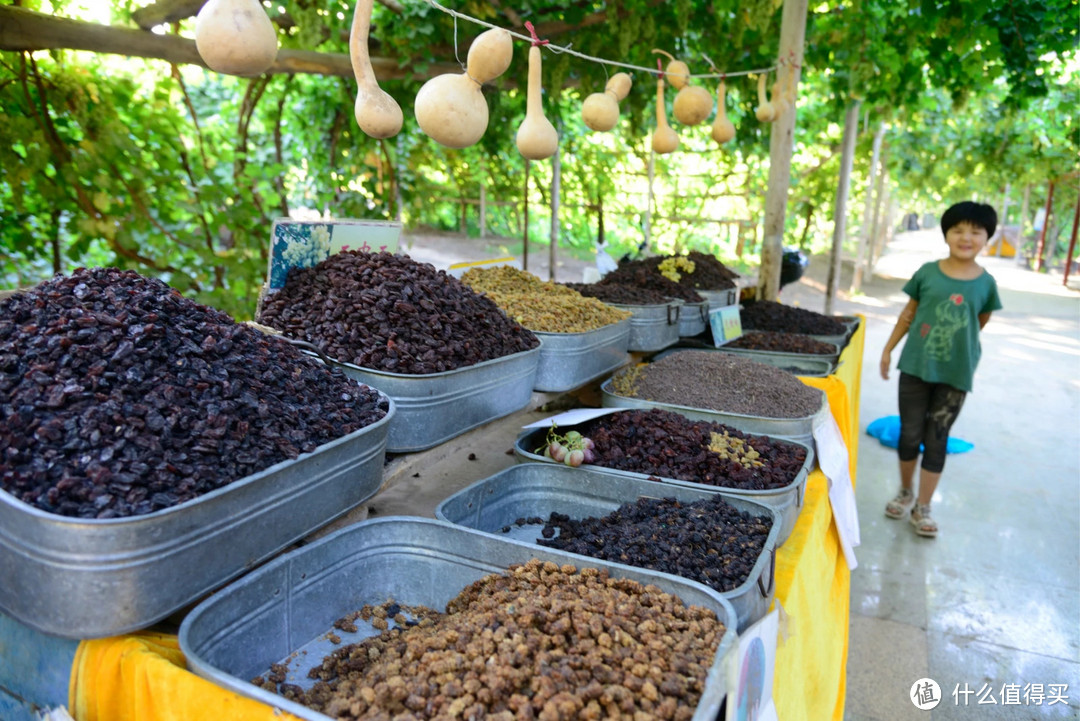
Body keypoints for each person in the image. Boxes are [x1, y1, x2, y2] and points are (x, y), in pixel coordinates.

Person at [878, 201, 1003, 537]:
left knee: (937, 438)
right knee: (909, 432)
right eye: (958, 229)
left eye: (975, 231)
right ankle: (905, 491)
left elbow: (979, 321)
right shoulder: (927, 273)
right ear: (946, 234)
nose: (966, 237)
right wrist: (888, 350)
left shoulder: (986, 283)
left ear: (986, 237)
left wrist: (956, 348)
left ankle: (924, 506)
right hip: (916, 366)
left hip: (956, 374)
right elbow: (908, 314)